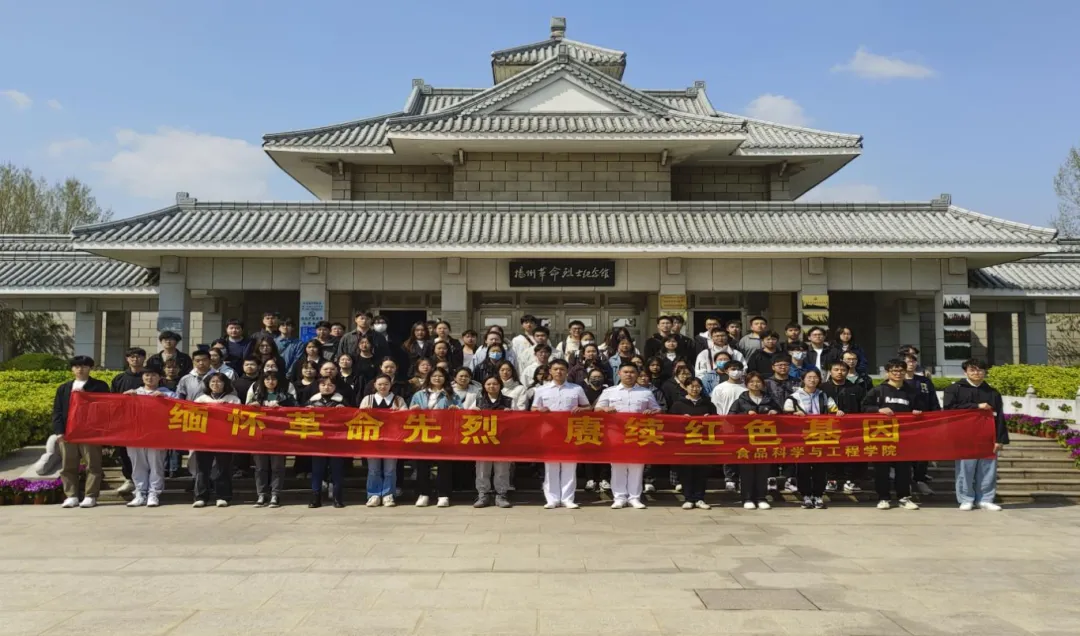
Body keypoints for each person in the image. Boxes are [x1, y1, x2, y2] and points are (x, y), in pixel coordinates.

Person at [944, 359, 1008, 512]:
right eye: (972, 370)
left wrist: (1000, 439)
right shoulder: (955, 389)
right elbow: (949, 409)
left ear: (985, 372)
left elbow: (999, 416)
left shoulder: (992, 392)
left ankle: (985, 499)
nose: (976, 373)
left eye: (980, 370)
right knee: (965, 469)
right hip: (964, 436)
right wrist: (976, 406)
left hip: (987, 437)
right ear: (965, 372)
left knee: (988, 470)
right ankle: (966, 499)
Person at [595, 362, 661, 509]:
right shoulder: (609, 391)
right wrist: (605, 409)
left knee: (636, 466)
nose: (629, 375)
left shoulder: (646, 392)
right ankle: (619, 497)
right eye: (625, 372)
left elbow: (657, 409)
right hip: (616, 434)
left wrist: (651, 412)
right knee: (617, 466)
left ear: (636, 374)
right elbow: (597, 409)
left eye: (632, 372)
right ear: (619, 373)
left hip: (638, 434)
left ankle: (634, 498)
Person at [863, 359, 922, 511]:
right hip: (882, 435)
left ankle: (904, 497)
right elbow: (864, 407)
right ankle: (883, 497)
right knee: (881, 469)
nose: (898, 373)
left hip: (904, 436)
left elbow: (920, 408)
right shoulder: (878, 390)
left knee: (904, 469)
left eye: (901, 370)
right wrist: (878, 410)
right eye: (894, 371)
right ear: (887, 373)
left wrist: (917, 412)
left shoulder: (912, 391)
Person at [532, 359, 592, 509]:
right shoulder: (541, 389)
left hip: (570, 431)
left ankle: (567, 499)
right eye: (556, 369)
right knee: (551, 467)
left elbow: (588, 407)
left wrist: (581, 409)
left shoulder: (576, 389)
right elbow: (533, 409)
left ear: (567, 371)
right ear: (550, 371)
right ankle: (552, 499)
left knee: (569, 466)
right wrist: (540, 410)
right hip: (549, 432)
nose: (559, 372)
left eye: (562, 369)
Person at [53, 356, 110, 509]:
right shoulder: (64, 388)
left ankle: (91, 495)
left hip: (90, 432)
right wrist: (59, 431)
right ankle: (71, 496)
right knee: (68, 465)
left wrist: (86, 396)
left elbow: (105, 407)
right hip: (68, 432)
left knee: (93, 465)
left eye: (84, 366)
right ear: (72, 369)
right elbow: (57, 411)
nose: (80, 369)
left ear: (90, 368)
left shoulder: (99, 386)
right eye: (77, 366)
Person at [785, 369, 844, 509]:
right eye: (809, 377)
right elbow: (785, 413)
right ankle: (805, 496)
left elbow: (833, 409)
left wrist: (838, 412)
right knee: (803, 467)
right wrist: (794, 414)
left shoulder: (823, 395)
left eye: (815, 377)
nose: (812, 380)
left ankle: (818, 495)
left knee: (820, 468)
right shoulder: (793, 397)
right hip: (801, 437)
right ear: (803, 379)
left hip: (820, 436)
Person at [120, 366, 175, 508]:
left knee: (156, 465)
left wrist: (166, 399)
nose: (150, 378)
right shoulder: (134, 393)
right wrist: (125, 398)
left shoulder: (168, 393)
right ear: (142, 377)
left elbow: (178, 407)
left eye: (153, 375)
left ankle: (154, 493)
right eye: (147, 375)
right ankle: (140, 493)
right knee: (137, 465)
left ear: (159, 377)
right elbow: (120, 409)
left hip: (157, 435)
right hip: (135, 434)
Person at [410, 368, 463, 507]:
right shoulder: (419, 394)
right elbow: (410, 415)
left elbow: (462, 413)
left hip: (444, 434)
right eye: (434, 376)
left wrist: (456, 410)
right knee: (422, 465)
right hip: (424, 433)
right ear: (429, 377)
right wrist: (413, 410)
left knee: (444, 465)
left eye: (440, 376)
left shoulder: (451, 394)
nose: (437, 378)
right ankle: (423, 494)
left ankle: (443, 494)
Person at [730, 372, 780, 510]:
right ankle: (747, 498)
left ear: (763, 384)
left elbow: (781, 414)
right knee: (747, 470)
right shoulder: (741, 401)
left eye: (758, 381)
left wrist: (775, 413)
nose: (755, 384)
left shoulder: (769, 400)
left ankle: (761, 497)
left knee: (763, 470)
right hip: (746, 440)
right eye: (751, 382)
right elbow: (731, 417)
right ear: (746, 384)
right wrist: (745, 414)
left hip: (765, 440)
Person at [358, 374, 408, 507]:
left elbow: (407, 418)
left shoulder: (398, 400)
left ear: (391, 385)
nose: (383, 387)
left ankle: (388, 494)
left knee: (390, 469)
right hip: (372, 440)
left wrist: (399, 413)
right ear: (375, 385)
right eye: (380, 384)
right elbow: (359, 418)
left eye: (386, 384)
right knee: (373, 469)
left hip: (392, 440)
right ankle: (373, 494)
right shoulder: (368, 399)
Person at [248, 371, 294, 508]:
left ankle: (275, 494)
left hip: (278, 437)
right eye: (267, 379)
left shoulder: (286, 396)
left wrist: (283, 408)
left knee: (277, 467)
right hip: (260, 436)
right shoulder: (257, 396)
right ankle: (261, 494)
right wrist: (252, 406)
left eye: (273, 379)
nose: (270, 382)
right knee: (260, 468)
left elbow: (296, 410)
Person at [193, 373, 239, 507]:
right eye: (212, 382)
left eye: (219, 382)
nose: (215, 384)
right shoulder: (201, 399)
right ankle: (201, 497)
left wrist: (226, 408)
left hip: (225, 439)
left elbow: (238, 417)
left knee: (223, 468)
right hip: (204, 439)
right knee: (203, 468)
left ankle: (222, 496)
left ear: (225, 384)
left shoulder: (233, 400)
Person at [669, 377, 715, 510]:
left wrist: (710, 419)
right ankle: (688, 498)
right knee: (686, 472)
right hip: (685, 444)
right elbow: (670, 424)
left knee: (702, 471)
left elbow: (717, 423)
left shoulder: (708, 404)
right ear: (686, 387)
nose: (695, 389)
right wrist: (680, 420)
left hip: (703, 443)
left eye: (698, 386)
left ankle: (700, 498)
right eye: (692, 386)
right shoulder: (678, 404)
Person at [821, 361, 867, 495]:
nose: (839, 372)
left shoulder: (856, 389)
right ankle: (831, 479)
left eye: (843, 370)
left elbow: (863, 407)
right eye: (836, 369)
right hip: (827, 427)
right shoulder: (822, 388)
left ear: (847, 372)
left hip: (851, 428)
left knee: (850, 452)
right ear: (830, 371)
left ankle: (850, 480)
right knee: (830, 452)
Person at [305, 376, 347, 508]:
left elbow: (351, 419)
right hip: (317, 441)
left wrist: (344, 410)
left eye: (330, 385)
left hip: (336, 441)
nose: (326, 387)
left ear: (335, 387)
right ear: (318, 387)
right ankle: (315, 498)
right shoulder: (312, 401)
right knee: (317, 470)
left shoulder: (342, 400)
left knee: (337, 470)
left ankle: (337, 498)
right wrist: (307, 411)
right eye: (323, 385)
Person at [110, 347, 147, 496]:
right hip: (124, 421)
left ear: (144, 358)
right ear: (127, 359)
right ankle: (129, 479)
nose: (135, 359)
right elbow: (112, 401)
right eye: (132, 357)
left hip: (146, 422)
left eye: (138, 357)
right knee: (124, 451)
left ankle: (146, 481)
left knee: (145, 453)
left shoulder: (150, 376)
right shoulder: (119, 379)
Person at [473, 375, 515, 508]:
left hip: (502, 440)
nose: (492, 386)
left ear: (500, 385)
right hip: (483, 439)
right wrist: (473, 412)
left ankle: (501, 494)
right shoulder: (478, 401)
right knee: (482, 468)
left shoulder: (508, 401)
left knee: (502, 468)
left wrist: (511, 414)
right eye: (488, 384)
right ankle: (483, 494)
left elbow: (518, 420)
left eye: (495, 384)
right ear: (484, 386)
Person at [904, 352, 941, 496]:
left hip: (923, 422)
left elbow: (933, 401)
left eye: (913, 361)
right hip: (904, 424)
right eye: (908, 361)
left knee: (923, 452)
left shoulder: (924, 381)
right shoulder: (895, 382)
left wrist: (936, 417)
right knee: (905, 453)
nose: (911, 364)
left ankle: (920, 479)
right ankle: (905, 482)